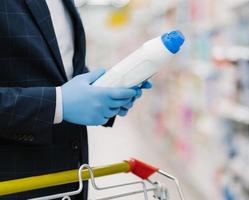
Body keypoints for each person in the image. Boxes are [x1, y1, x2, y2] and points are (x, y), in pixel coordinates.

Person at [0, 0, 151, 199]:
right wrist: (58, 104)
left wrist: (106, 93)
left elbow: (64, 69)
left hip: (72, 183)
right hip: (15, 183)